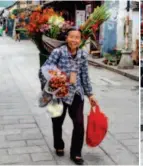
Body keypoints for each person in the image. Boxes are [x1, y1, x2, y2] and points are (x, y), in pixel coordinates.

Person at [38, 28, 98, 165]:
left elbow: (84, 75)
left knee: (79, 123)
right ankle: (59, 144)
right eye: (72, 37)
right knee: (57, 122)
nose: (74, 40)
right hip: (57, 93)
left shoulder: (83, 54)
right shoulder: (58, 52)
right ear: (67, 38)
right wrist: (59, 76)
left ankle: (76, 153)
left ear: (80, 40)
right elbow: (45, 68)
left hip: (76, 92)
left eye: (77, 38)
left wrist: (90, 94)